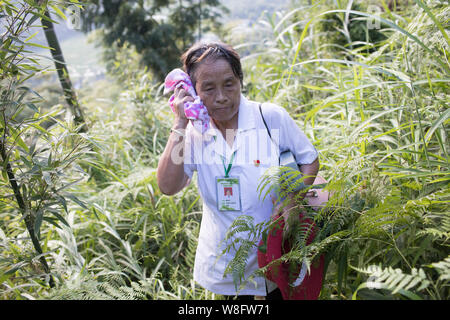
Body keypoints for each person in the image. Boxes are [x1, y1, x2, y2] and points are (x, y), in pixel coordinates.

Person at [157, 42, 319, 299]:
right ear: (193, 91)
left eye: (229, 84)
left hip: (280, 257)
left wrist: (293, 198)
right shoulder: (192, 134)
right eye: (209, 88)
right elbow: (167, 186)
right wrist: (180, 121)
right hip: (228, 268)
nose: (221, 96)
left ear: (240, 80)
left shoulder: (270, 118)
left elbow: (309, 159)